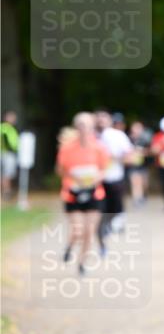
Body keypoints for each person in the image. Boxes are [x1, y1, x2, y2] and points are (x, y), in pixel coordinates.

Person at [56, 112, 110, 275]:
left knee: (89, 231)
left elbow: (104, 169)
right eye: (80, 126)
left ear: (92, 128)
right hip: (73, 193)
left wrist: (94, 178)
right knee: (78, 230)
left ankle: (82, 263)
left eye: (87, 126)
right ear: (76, 128)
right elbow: (60, 170)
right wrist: (75, 176)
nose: (84, 130)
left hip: (94, 193)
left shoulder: (99, 148)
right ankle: (70, 246)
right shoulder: (67, 148)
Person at [95, 110, 133, 251]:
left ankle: (113, 223)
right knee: (99, 207)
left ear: (110, 121)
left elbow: (129, 156)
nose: (100, 121)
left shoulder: (118, 136)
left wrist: (113, 158)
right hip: (94, 180)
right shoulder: (90, 136)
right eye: (98, 118)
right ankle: (102, 231)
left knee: (115, 206)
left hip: (114, 177)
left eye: (103, 118)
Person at [126, 120, 152, 206]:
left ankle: (144, 196)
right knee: (135, 181)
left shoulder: (145, 139)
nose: (136, 129)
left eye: (138, 128)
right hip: (133, 165)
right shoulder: (128, 139)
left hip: (143, 165)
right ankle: (137, 199)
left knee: (144, 183)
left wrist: (142, 152)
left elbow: (151, 151)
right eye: (134, 127)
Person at [1, 110, 19, 198]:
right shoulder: (5, 128)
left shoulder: (11, 128)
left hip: (7, 153)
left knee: (5, 173)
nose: (14, 119)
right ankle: (6, 191)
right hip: (7, 153)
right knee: (6, 173)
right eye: (11, 117)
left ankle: (6, 191)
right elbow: (5, 140)